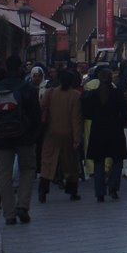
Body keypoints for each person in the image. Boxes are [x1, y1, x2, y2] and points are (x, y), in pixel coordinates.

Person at [0, 55, 41, 225]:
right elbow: (36, 114)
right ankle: (23, 205)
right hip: (25, 138)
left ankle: (9, 213)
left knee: (4, 175)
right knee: (28, 170)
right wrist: (33, 134)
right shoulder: (28, 88)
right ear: (21, 68)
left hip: (2, 139)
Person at [81, 67, 127, 202]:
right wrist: (119, 122)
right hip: (115, 130)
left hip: (98, 131)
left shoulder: (93, 94)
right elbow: (125, 113)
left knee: (98, 161)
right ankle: (113, 188)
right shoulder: (118, 93)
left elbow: (87, 113)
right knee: (117, 160)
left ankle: (99, 192)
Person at [39, 68, 83, 202]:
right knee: (70, 164)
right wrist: (77, 138)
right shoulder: (75, 95)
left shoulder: (50, 92)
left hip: (51, 132)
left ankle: (43, 190)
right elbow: (76, 118)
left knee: (48, 162)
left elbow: (42, 107)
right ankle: (72, 191)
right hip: (67, 134)